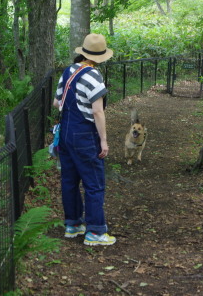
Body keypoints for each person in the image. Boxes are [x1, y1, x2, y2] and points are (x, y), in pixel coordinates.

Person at [52, 33, 116, 246]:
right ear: (100, 57)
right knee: (94, 183)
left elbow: (56, 102)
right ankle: (96, 232)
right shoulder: (93, 76)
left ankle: (73, 224)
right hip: (85, 135)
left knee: (69, 181)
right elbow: (98, 112)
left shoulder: (69, 71)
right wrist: (103, 140)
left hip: (66, 133)